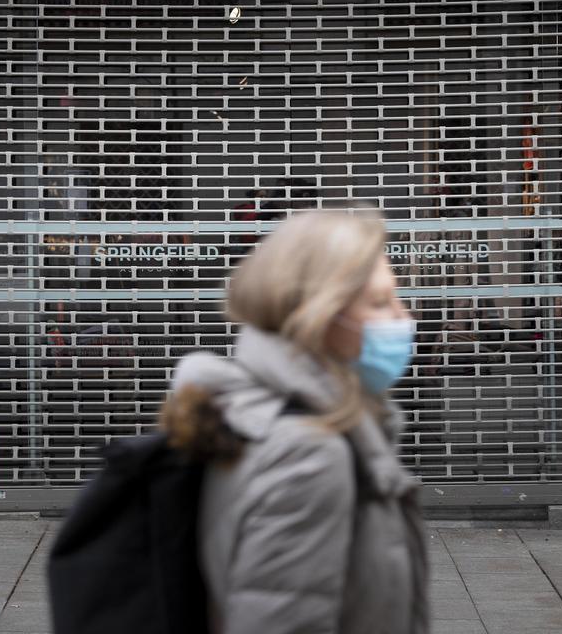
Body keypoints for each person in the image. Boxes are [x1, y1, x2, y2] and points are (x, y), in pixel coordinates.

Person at [160, 209, 429, 634]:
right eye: (380, 302)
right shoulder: (310, 454)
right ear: (318, 314)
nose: (405, 317)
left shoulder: (246, 412)